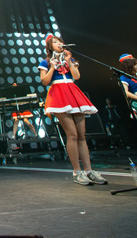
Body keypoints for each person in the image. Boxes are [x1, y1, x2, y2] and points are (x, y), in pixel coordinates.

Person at [38, 34, 107, 185]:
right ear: (49, 46)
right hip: (58, 94)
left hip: (73, 92)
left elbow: (77, 76)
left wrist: (69, 61)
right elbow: (44, 81)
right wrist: (52, 67)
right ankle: (77, 171)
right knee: (72, 134)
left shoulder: (70, 59)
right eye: (54, 42)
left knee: (81, 135)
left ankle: (89, 171)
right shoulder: (45, 62)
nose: (58, 43)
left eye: (59, 41)